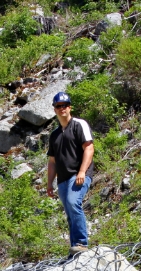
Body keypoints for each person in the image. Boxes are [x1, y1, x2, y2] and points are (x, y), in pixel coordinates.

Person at [46, 91, 94, 256]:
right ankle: (75, 247)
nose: (62, 109)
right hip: (63, 180)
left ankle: (81, 243)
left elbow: (89, 147)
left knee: (74, 204)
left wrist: (82, 171)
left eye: (65, 105)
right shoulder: (54, 135)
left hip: (79, 175)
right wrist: (49, 184)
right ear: (55, 109)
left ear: (70, 107)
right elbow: (52, 162)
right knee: (70, 213)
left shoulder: (79, 124)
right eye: (58, 106)